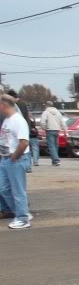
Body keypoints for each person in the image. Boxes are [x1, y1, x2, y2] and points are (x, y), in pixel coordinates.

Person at [0, 94, 32, 229]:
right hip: (6, 159)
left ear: (4, 105)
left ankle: (23, 218)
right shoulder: (7, 120)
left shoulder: (18, 120)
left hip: (16, 159)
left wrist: (14, 156)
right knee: (3, 188)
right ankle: (21, 211)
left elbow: (24, 142)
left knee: (18, 190)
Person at [41, 101, 64, 166]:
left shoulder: (46, 112)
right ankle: (54, 160)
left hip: (49, 130)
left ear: (47, 105)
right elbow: (62, 121)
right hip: (57, 130)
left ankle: (56, 160)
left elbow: (43, 122)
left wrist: (44, 128)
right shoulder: (58, 112)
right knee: (56, 145)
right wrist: (65, 130)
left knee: (51, 146)